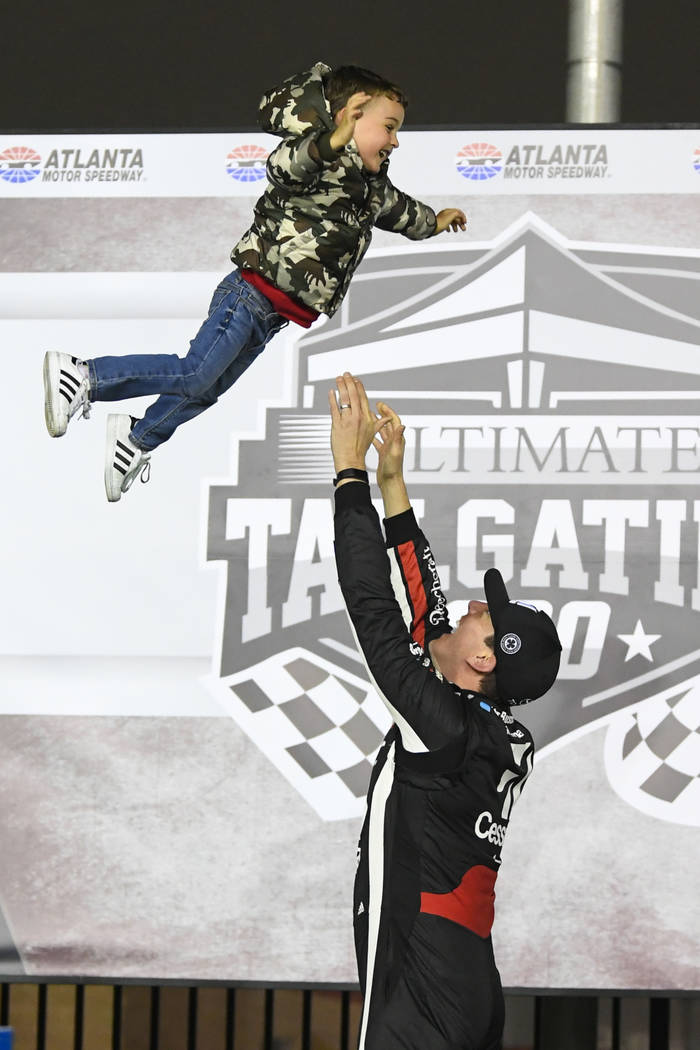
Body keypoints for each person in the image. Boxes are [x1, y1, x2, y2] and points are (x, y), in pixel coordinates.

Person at [42, 62, 467, 502]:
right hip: (248, 294)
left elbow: (400, 211)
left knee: (207, 389)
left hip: (270, 315)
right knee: (195, 372)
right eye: (390, 127)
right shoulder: (316, 157)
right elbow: (285, 167)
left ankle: (137, 438)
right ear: (351, 117)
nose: (395, 141)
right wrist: (329, 143)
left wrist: (435, 221)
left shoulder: (372, 186)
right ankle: (84, 375)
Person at [329, 373, 562, 1050]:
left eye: (488, 617)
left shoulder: (446, 727)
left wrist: (349, 474)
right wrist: (392, 482)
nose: (473, 605)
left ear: (485, 662)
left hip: (424, 997)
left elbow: (375, 611)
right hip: (465, 987)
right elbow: (427, 613)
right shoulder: (485, 728)